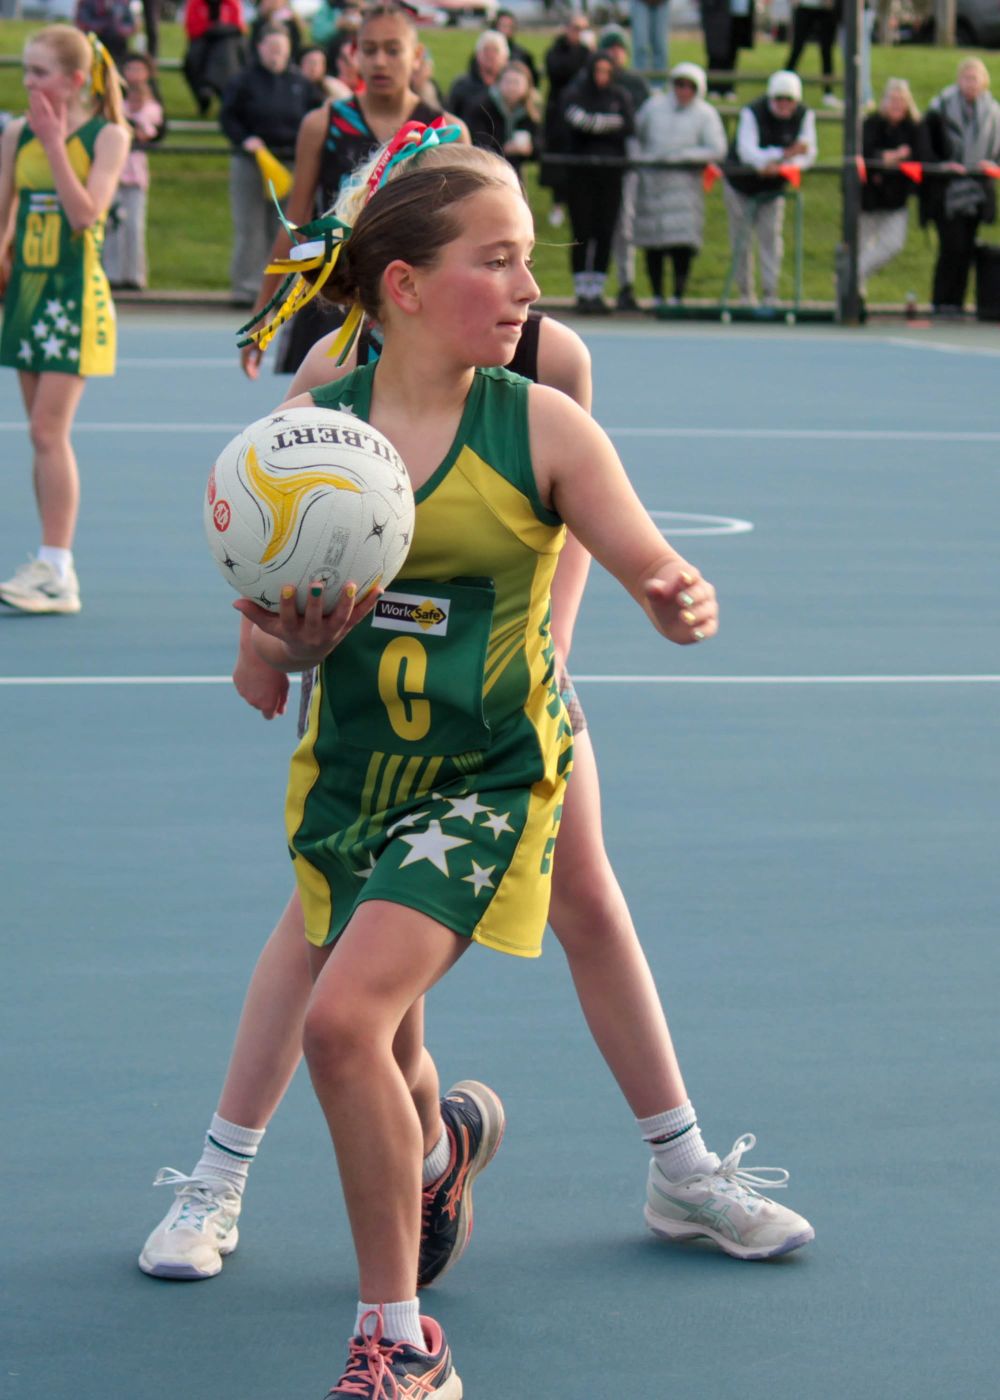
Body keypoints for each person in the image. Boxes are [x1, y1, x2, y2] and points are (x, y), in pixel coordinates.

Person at [140, 139, 812, 1311]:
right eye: (497, 261)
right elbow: (286, 606)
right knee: (378, 1032)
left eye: (528, 261)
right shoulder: (317, 420)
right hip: (358, 767)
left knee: (437, 970)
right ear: (401, 282)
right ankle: (430, 1154)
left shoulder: (540, 411)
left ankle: (644, 1182)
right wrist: (272, 645)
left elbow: (633, 547)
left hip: (497, 755)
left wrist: (665, 588)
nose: (528, 285)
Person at [239, 3, 466, 379]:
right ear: (353, 54)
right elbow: (294, 224)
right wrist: (264, 315)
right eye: (369, 49)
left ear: (417, 56)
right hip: (334, 302)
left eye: (393, 50)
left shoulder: (444, 133)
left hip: (411, 303)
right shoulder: (323, 123)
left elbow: (462, 235)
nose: (380, 61)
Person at [0, 27, 129, 616]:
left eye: (41, 72)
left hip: (73, 298)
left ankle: (58, 568)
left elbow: (85, 214)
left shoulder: (108, 137)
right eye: (25, 71)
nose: (29, 83)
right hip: (26, 296)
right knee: (40, 436)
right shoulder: (13, 134)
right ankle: (51, 563)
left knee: (48, 433)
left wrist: (54, 143)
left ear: (76, 80)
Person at [219, 24, 323, 307]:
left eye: (281, 48)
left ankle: (284, 286)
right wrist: (245, 140)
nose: (276, 54)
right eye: (271, 47)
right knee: (250, 224)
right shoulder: (243, 81)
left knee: (287, 225)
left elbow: (316, 116)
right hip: (253, 161)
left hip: (291, 161)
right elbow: (228, 117)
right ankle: (247, 287)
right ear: (260, 48)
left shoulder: (300, 83)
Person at [634, 62, 727, 306]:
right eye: (679, 84)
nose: (683, 90)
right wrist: (643, 161)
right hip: (652, 184)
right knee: (652, 243)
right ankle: (656, 295)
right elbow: (636, 136)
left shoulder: (706, 114)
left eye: (689, 86)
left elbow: (716, 148)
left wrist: (684, 157)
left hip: (685, 187)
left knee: (681, 244)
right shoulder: (653, 108)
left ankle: (678, 295)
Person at [723, 69, 816, 306]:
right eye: (779, 99)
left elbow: (807, 152)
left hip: (773, 188)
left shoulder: (805, 115)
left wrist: (784, 164)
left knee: (771, 239)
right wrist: (780, 156)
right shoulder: (752, 113)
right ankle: (745, 294)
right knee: (741, 241)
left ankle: (770, 293)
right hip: (740, 185)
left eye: (789, 100)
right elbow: (747, 152)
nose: (784, 105)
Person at [918, 57, 1000, 317]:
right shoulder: (940, 107)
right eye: (966, 78)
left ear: (983, 81)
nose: (970, 83)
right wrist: (942, 165)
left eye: (975, 78)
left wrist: (992, 164)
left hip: (977, 190)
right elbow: (925, 143)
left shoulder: (993, 113)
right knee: (951, 247)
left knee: (966, 248)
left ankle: (958, 303)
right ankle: (942, 301)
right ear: (958, 79)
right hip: (947, 191)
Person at [561, 49, 635, 314]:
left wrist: (595, 124)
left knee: (605, 232)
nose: (602, 77)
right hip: (580, 175)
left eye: (607, 71)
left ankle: (597, 290)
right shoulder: (575, 93)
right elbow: (576, 122)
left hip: (611, 176)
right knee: (582, 232)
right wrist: (607, 124)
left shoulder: (620, 96)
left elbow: (627, 124)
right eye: (598, 71)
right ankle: (582, 291)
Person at [597, 26, 650, 312]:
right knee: (600, 225)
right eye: (610, 47)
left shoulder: (635, 84)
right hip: (599, 162)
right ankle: (594, 286)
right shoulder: (593, 82)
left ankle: (626, 282)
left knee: (625, 224)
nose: (615, 54)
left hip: (626, 159)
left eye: (620, 48)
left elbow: (637, 124)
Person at [102, 51, 165, 291]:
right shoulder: (115, 102)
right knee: (112, 226)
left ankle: (135, 274)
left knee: (134, 227)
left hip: (135, 173)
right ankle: (112, 273)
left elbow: (149, 132)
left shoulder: (152, 106)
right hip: (114, 171)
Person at [858, 77, 919, 300]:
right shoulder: (872, 123)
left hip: (896, 199)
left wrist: (889, 159)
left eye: (901, 100)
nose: (896, 104)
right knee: (860, 245)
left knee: (892, 244)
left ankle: (852, 276)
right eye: (892, 99)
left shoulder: (913, 127)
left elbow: (916, 156)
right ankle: (854, 295)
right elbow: (867, 154)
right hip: (868, 198)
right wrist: (892, 156)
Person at [539, 13, 593, 227]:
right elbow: (560, 72)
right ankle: (558, 206)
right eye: (575, 28)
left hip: (581, 111)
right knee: (559, 161)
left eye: (583, 29)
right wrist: (583, 53)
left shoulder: (588, 53)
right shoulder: (555, 52)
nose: (578, 33)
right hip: (558, 115)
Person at [464, 60, 540, 175]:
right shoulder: (482, 107)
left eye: (516, 83)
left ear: (527, 86)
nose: (512, 87)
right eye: (508, 82)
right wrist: (504, 148)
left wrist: (531, 148)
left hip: (514, 172)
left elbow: (540, 145)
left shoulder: (530, 112)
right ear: (499, 83)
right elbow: (477, 142)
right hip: (485, 170)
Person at [182, 0, 247, 118]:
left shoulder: (232, 3)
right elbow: (192, 28)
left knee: (224, 51)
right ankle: (209, 91)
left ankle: (209, 87)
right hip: (203, 42)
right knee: (196, 56)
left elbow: (239, 27)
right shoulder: (195, 3)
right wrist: (212, 29)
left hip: (228, 45)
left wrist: (219, 29)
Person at [445, 29, 509, 133]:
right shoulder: (461, 86)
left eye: (495, 51)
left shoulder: (511, 86)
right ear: (478, 55)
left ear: (505, 57)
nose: (490, 55)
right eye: (486, 50)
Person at [786, 0, 842, 108]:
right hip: (804, 6)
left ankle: (828, 93)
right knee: (797, 49)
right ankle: (784, 86)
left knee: (827, 52)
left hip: (826, 9)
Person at [700, 0, 756, 99]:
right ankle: (714, 87)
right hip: (717, 12)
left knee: (732, 51)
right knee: (716, 52)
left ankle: (729, 87)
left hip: (737, 14)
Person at [73, 0, 135, 69]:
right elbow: (83, 22)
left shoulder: (121, 3)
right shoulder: (87, 3)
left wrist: (122, 29)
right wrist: (108, 23)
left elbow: (130, 24)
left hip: (117, 47)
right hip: (95, 44)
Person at [494, 8, 539, 87]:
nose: (505, 29)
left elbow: (533, 80)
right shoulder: (485, 53)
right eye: (502, 25)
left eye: (508, 26)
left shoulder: (523, 55)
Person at [630, 0, 671, 80]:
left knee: (660, 46)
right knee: (640, 45)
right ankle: (639, 82)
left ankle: (659, 85)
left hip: (661, 3)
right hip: (640, 2)